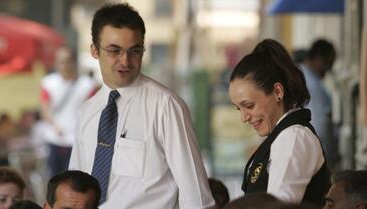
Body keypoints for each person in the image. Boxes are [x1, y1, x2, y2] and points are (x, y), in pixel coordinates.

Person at [69, 3, 215, 209]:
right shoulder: (87, 112)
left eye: (134, 51)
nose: (125, 61)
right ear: (94, 50)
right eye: (114, 51)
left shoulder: (166, 106)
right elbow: (75, 186)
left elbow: (197, 196)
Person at [228, 39, 329, 207]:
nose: (244, 117)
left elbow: (280, 205)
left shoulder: (293, 137)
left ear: (277, 92)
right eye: (239, 109)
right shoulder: (282, 136)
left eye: (249, 106)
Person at [40, 46, 100, 176]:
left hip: (77, 140)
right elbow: (45, 108)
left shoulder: (88, 84)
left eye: (67, 61)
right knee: (54, 177)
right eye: (60, 61)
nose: (64, 65)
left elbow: (94, 111)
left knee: (74, 178)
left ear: (74, 62)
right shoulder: (48, 83)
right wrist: (54, 125)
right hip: (54, 138)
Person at [300, 39, 338, 169]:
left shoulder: (305, 78)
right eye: (329, 63)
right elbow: (321, 126)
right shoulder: (312, 86)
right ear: (318, 59)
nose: (329, 69)